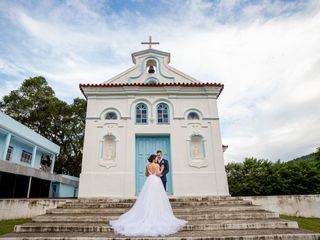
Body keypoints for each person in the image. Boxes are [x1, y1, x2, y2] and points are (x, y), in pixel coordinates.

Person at [110, 154, 187, 237]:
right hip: (156, 181)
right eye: (156, 158)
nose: (157, 159)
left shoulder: (147, 166)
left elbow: (146, 174)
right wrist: (162, 169)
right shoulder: (157, 165)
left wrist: (151, 172)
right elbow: (158, 174)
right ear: (154, 159)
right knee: (157, 197)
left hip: (149, 180)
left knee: (147, 197)